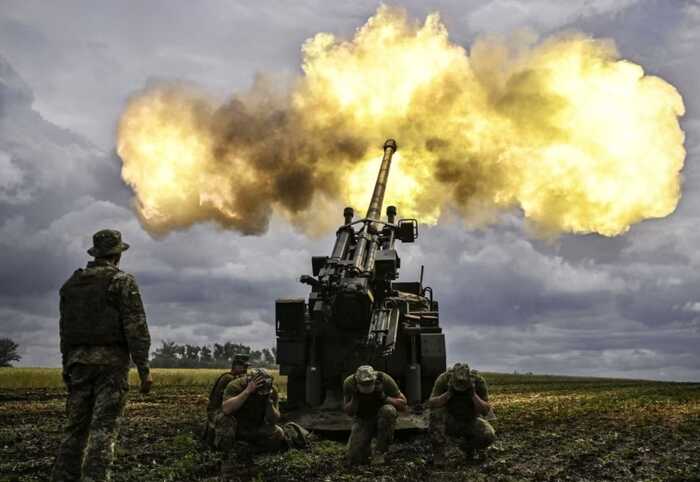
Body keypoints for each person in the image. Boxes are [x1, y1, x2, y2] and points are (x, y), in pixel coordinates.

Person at [52, 229, 152, 482]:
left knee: (74, 428)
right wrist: (144, 369)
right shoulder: (122, 282)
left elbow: (65, 330)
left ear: (96, 253)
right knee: (103, 430)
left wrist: (67, 365)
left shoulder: (70, 285)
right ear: (117, 255)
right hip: (110, 366)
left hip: (77, 363)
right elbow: (136, 327)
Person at [217, 368, 287, 479]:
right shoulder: (236, 386)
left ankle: (252, 450)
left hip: (255, 424)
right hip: (236, 425)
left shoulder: (271, 390)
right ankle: (227, 452)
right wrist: (247, 391)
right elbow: (226, 409)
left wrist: (269, 404)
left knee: (279, 433)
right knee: (224, 420)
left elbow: (274, 419)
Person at [428, 362, 495, 466]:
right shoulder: (444, 379)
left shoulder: (478, 381)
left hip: (470, 420)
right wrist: (448, 394)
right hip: (450, 420)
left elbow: (486, 410)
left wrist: (473, 394)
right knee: (435, 414)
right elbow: (431, 404)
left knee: (488, 434)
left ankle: (468, 448)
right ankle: (439, 456)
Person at [343, 365, 407, 465]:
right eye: (364, 386)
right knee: (354, 458)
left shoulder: (384, 379)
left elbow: (403, 406)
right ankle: (366, 447)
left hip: (382, 416)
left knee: (389, 411)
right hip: (362, 419)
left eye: (369, 385)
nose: (367, 388)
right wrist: (354, 399)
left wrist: (384, 397)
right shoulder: (349, 383)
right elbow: (349, 413)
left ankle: (380, 452)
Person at [203, 353, 251, 449]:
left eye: (246, 367)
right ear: (235, 365)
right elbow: (226, 404)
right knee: (228, 420)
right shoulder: (229, 379)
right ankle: (223, 448)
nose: (245, 369)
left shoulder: (236, 378)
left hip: (224, 408)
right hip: (217, 411)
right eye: (242, 366)